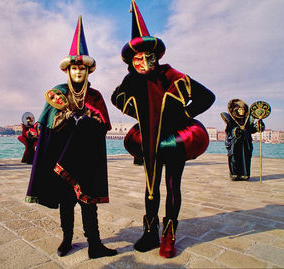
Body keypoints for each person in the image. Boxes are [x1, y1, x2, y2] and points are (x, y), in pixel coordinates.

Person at [111, 0, 215, 258]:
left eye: (149, 57)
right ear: (132, 60)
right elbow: (116, 97)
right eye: (139, 58)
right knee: (150, 186)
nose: (145, 62)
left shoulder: (172, 75)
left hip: (174, 138)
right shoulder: (131, 80)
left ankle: (169, 234)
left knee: (172, 184)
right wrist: (135, 111)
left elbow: (207, 97)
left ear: (156, 56)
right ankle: (149, 233)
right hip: (148, 139)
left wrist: (184, 113)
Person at [25, 16, 117, 259]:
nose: (78, 71)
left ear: (87, 70)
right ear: (68, 70)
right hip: (62, 159)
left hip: (87, 159)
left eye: (82, 68)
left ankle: (95, 244)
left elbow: (102, 126)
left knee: (89, 203)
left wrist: (86, 120)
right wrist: (65, 116)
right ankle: (66, 240)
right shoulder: (57, 93)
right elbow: (47, 126)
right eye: (74, 68)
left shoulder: (96, 96)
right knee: (66, 202)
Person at [221, 99, 265, 181]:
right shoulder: (232, 120)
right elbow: (229, 131)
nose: (242, 111)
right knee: (234, 157)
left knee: (245, 157)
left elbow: (251, 129)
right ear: (236, 110)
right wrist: (235, 131)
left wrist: (259, 125)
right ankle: (235, 174)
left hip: (245, 142)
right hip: (235, 143)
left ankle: (244, 174)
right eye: (240, 109)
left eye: (243, 109)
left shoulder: (247, 120)